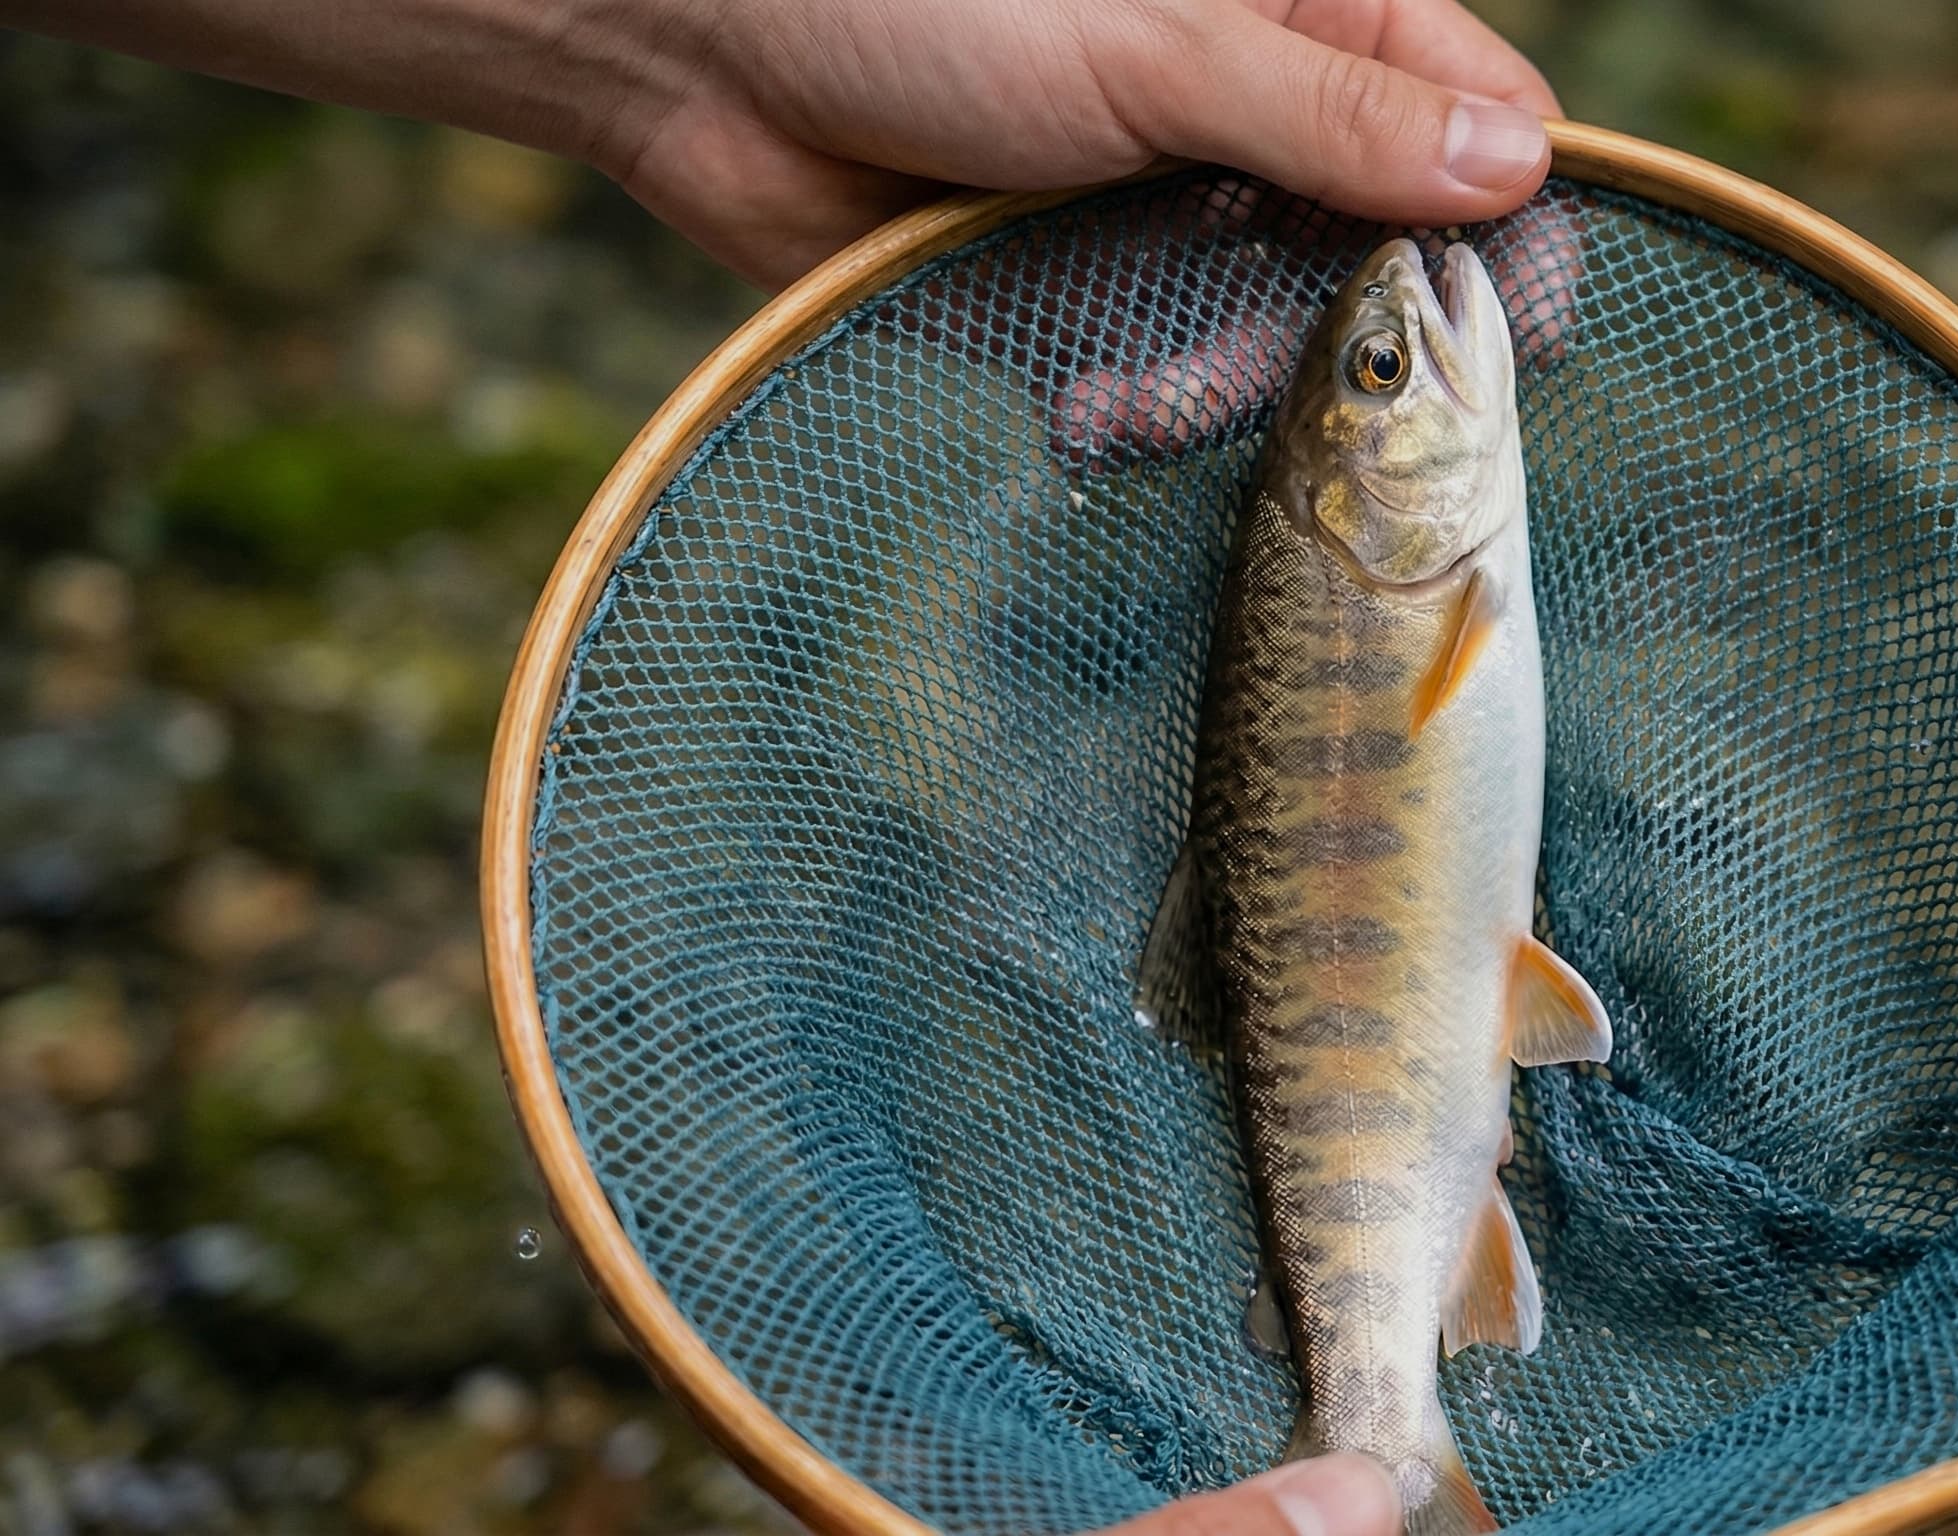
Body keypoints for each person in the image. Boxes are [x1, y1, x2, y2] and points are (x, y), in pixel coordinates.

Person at [0, 2, 1563, 1534]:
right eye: (1384, 374)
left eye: (1369, 374)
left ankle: (1380, 1421)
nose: (1404, 347)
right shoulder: (1425, 583)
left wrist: (698, 41)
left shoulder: (1392, 579)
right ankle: (1391, 1441)